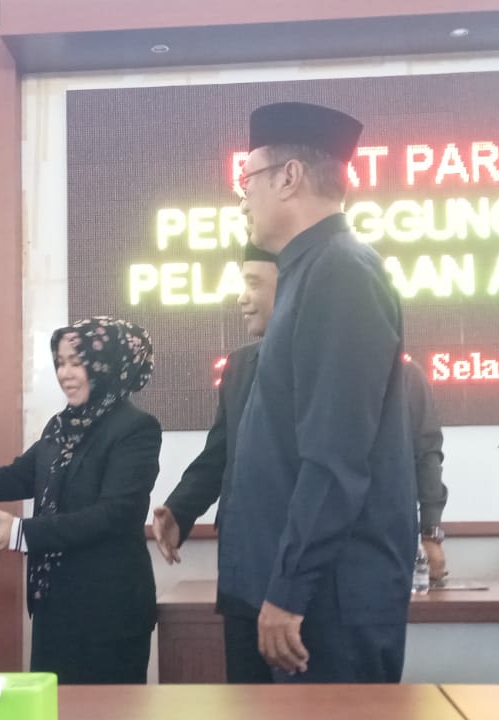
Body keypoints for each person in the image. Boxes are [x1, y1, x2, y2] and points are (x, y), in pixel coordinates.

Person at [152, 243, 448, 683]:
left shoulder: (370, 367)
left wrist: (431, 528)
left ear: (290, 287)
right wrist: (181, 508)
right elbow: (222, 452)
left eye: (254, 283)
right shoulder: (241, 366)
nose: (242, 298)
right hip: (245, 573)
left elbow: (410, 454)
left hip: (318, 578)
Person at [225, 101, 416, 683]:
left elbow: (335, 456)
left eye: (247, 181)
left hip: (327, 598)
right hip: (303, 591)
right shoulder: (306, 270)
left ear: (289, 177)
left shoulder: (341, 272)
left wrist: (289, 589)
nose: (242, 199)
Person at [0, 317, 161, 684]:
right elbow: (14, 478)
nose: (65, 373)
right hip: (53, 603)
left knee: (105, 708)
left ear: (108, 365)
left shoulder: (136, 428)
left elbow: (114, 514)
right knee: (51, 704)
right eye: (60, 362)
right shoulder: (61, 426)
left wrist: (21, 532)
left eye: (77, 362)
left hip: (109, 609)